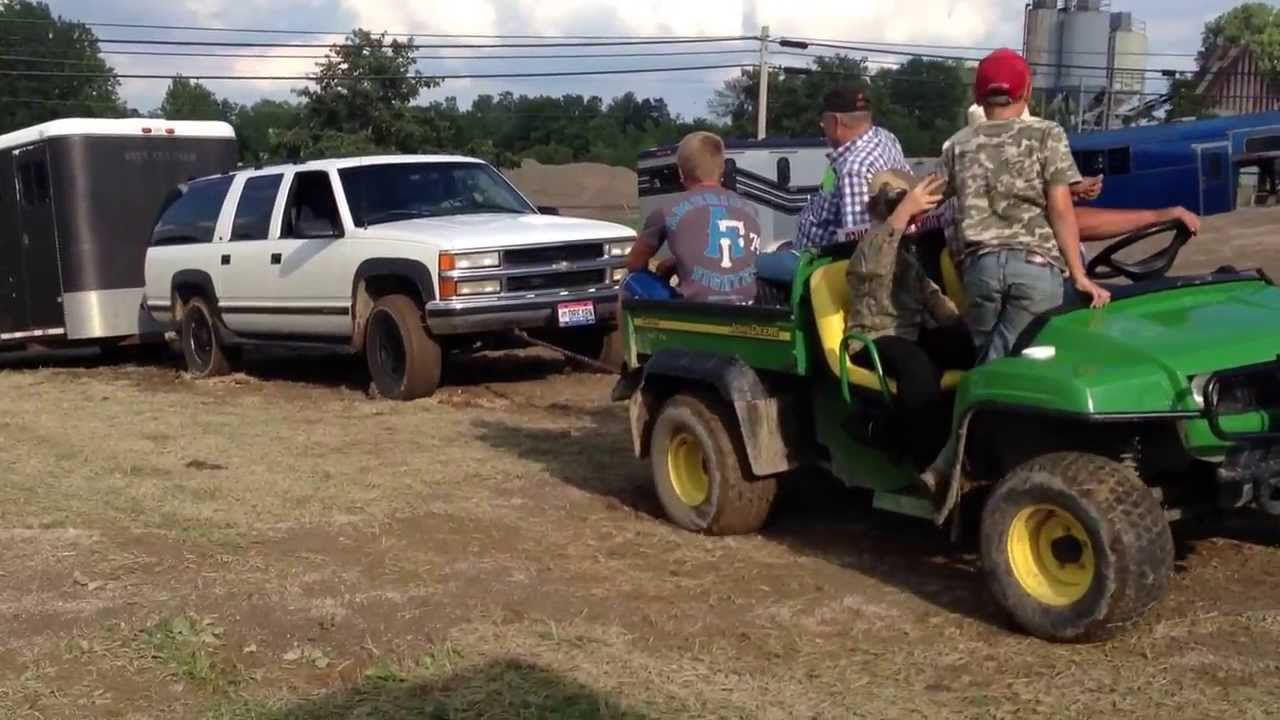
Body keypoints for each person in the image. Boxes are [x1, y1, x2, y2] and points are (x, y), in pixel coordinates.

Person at [920, 48, 1111, 492]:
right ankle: (960, 466)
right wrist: (1079, 274)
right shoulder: (1047, 135)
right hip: (1036, 270)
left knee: (992, 364)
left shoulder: (957, 145)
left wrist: (895, 211)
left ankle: (975, 470)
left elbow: (926, 197)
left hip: (981, 273)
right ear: (1026, 91)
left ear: (978, 94)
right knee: (1004, 377)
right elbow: (1062, 210)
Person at [845, 169, 972, 468]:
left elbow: (931, 296)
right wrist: (902, 214)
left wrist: (960, 328)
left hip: (909, 334)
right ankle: (928, 464)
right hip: (873, 338)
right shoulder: (869, 247)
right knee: (916, 366)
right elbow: (876, 266)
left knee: (967, 345)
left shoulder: (906, 256)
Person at [756, 85, 911, 284]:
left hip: (820, 265)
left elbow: (858, 244)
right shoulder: (885, 138)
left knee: (748, 265)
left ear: (834, 122)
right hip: (813, 251)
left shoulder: (855, 168)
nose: (823, 128)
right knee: (780, 250)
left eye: (823, 122)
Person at [625, 131, 763, 302]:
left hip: (696, 311)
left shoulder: (666, 210)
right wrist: (675, 264)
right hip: (746, 308)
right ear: (722, 169)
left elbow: (634, 264)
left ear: (681, 173)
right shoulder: (751, 210)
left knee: (629, 282)